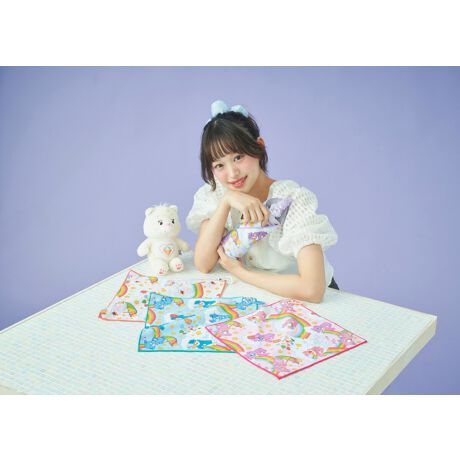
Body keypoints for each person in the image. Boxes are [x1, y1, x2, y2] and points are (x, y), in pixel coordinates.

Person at [186, 100, 338, 303]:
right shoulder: (215, 195)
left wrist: (241, 273)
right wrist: (226, 202)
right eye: (219, 165)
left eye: (238, 157)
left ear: (259, 147)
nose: (232, 173)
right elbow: (203, 263)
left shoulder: (291, 199)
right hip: (267, 300)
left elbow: (312, 290)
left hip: (318, 303)